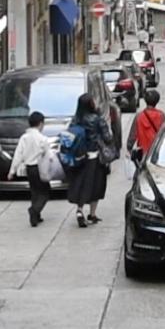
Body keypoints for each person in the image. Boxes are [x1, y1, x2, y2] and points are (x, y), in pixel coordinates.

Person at [64, 93, 115, 228]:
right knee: (97, 185)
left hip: (80, 157)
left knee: (81, 184)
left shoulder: (75, 120)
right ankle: (92, 214)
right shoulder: (97, 119)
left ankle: (80, 210)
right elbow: (108, 138)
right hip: (95, 157)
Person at [9, 111, 54, 227]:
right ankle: (34, 210)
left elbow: (18, 154)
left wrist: (12, 171)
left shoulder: (24, 138)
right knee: (45, 192)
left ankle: (36, 217)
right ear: (40, 124)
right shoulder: (42, 138)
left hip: (29, 168)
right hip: (40, 168)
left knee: (34, 191)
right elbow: (48, 155)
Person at [130, 88, 165, 161]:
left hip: (143, 152)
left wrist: (129, 148)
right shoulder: (161, 115)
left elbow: (132, 135)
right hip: (156, 150)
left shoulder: (139, 116)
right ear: (157, 101)